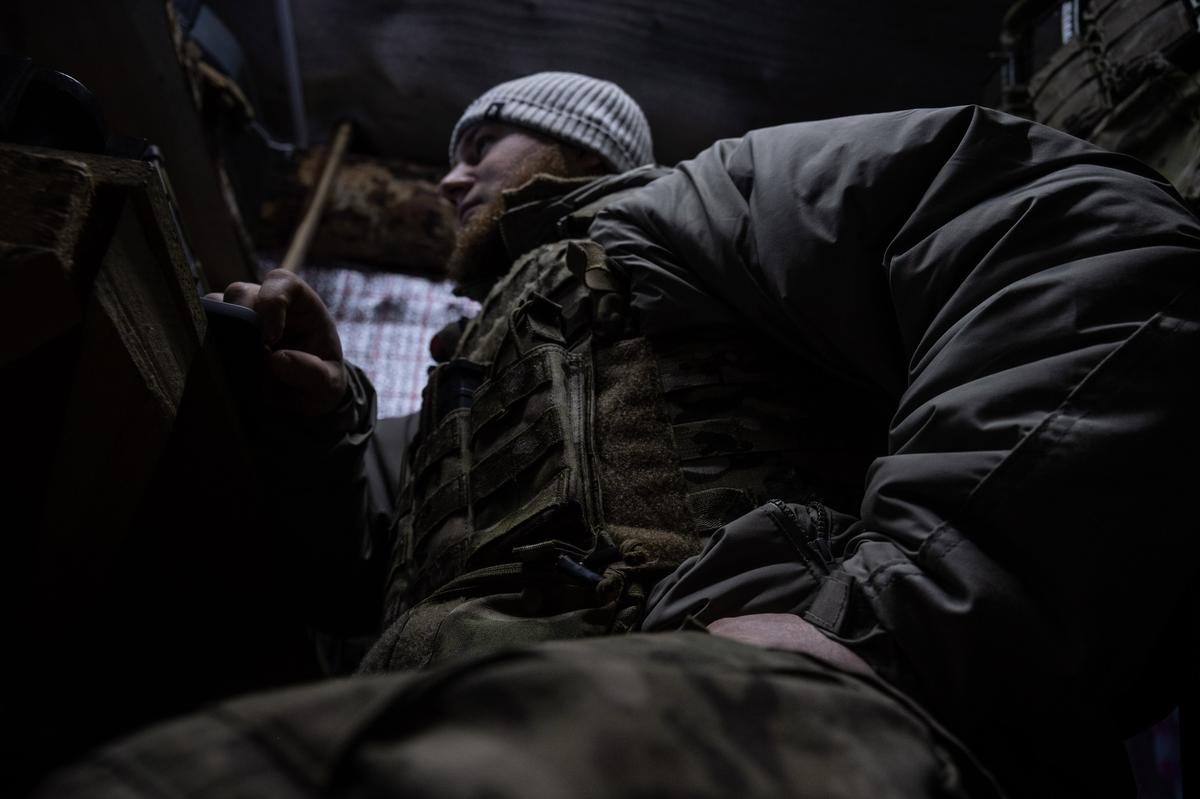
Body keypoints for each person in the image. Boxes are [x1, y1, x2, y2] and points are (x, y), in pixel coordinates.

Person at [38, 72, 1200, 798]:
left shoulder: (699, 202)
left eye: (481, 147)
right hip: (498, 714)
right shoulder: (480, 361)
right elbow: (364, 576)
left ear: (577, 148)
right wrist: (323, 422)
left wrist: (902, 627)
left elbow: (1086, 247)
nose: (447, 179)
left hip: (740, 713)